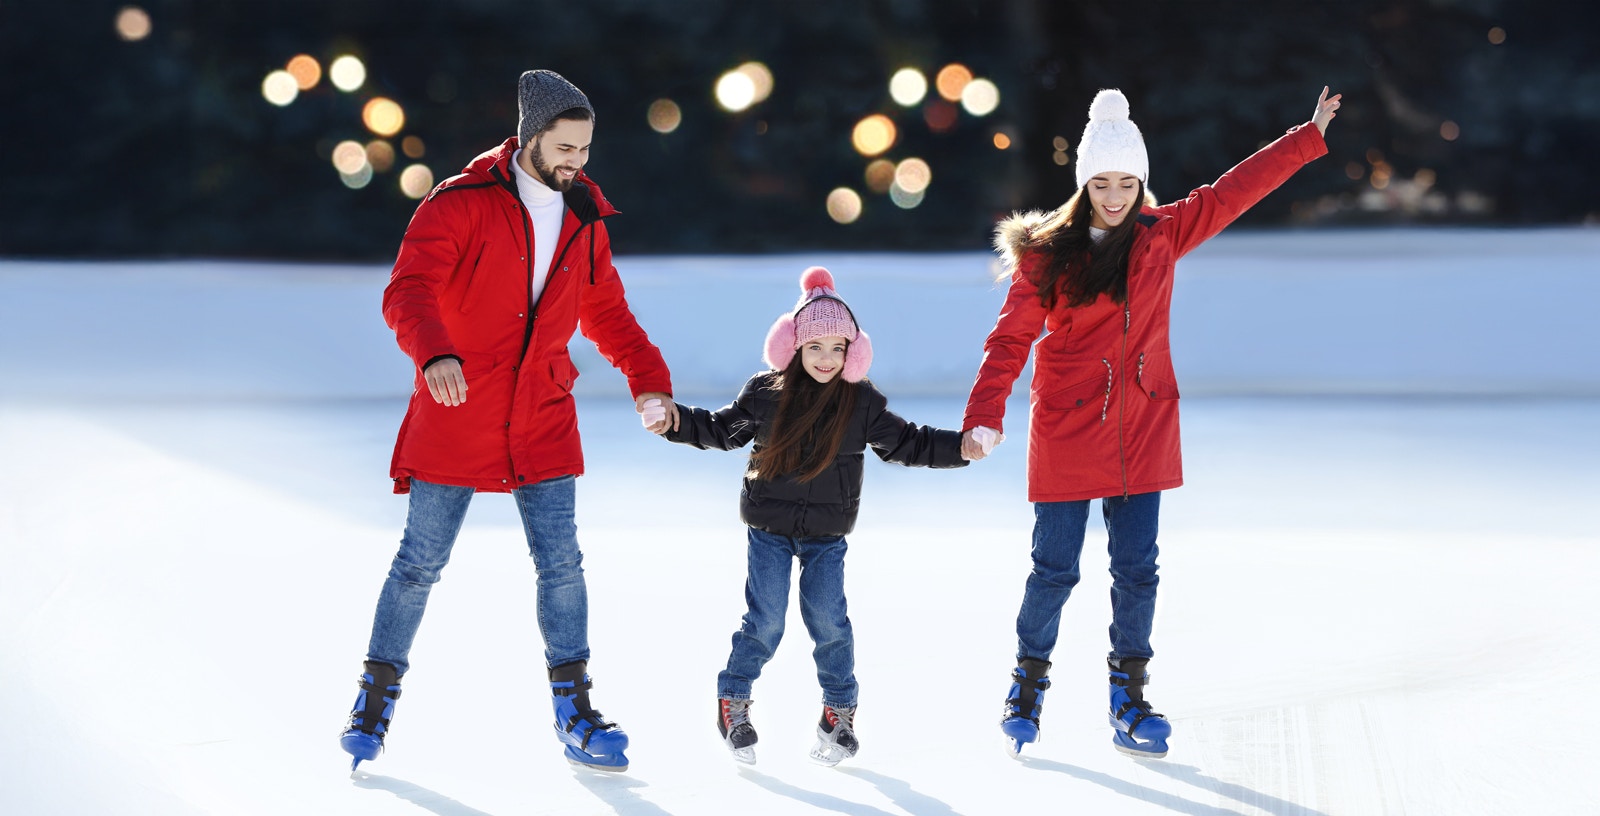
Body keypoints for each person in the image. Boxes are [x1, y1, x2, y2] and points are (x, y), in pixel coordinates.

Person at [962, 86, 1342, 759]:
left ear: (1142, 181)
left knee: (1138, 571)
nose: (1114, 195)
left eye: (1127, 182)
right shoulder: (1049, 253)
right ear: (1083, 183)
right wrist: (984, 415)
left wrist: (1305, 138)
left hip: (1142, 425)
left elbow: (1232, 191)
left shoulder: (1161, 235)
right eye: (1102, 182)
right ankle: (1027, 686)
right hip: (1068, 429)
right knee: (1054, 570)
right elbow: (1009, 340)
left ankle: (1129, 698)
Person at [339, 69, 680, 774]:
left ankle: (575, 709)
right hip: (459, 408)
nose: (577, 163)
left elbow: (607, 313)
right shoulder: (459, 204)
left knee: (562, 565)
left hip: (543, 415)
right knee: (419, 563)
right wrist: (434, 352)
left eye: (585, 150)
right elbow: (409, 290)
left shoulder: (582, 215)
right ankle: (374, 698)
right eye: (564, 148)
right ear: (529, 138)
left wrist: (649, 383)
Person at [641, 267, 969, 766]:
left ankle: (837, 715)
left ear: (852, 353)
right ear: (793, 347)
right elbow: (719, 430)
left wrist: (962, 447)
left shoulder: (861, 402)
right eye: (815, 347)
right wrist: (674, 420)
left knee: (829, 621)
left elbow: (908, 441)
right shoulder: (767, 393)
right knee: (766, 621)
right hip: (769, 530)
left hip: (826, 537)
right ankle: (733, 700)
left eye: (838, 348)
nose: (826, 358)